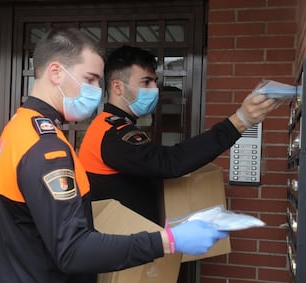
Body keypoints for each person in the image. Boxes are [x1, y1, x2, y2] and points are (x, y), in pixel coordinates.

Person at [0, 28, 228, 283]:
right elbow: (73, 251)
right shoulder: (47, 148)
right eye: (89, 79)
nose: (95, 90)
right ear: (56, 72)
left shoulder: (20, 128)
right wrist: (167, 241)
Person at [78, 45, 280, 225]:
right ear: (117, 87)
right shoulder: (112, 134)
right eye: (146, 82)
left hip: (129, 243)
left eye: (154, 82)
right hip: (119, 251)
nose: (154, 89)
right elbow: (170, 162)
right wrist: (239, 121)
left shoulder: (117, 126)